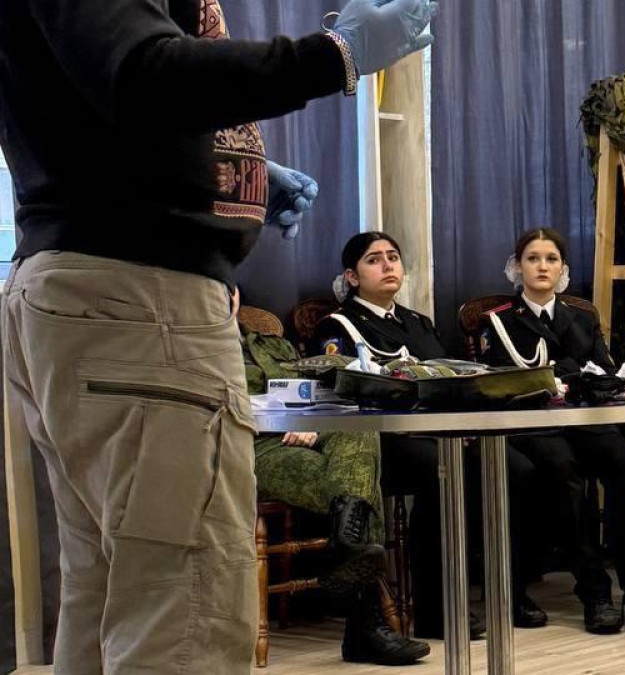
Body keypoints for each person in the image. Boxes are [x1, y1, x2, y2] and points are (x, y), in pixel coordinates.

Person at [0, 0, 436, 670]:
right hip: (139, 301)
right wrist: (335, 55)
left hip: (100, 295)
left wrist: (221, 173)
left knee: (117, 590)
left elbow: (94, 93)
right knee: (186, 610)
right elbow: (145, 76)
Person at [311, 232, 541, 636]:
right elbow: (341, 388)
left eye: (393, 257)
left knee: (514, 466)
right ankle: (437, 610)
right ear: (352, 276)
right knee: (441, 470)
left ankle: (509, 592)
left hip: (436, 432)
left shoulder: (418, 323)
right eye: (374, 260)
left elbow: (451, 378)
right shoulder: (339, 326)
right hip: (384, 440)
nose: (388, 265)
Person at [481, 227, 625, 634]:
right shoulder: (501, 321)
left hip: (584, 422)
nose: (542, 266)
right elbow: (500, 382)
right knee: (564, 471)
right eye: (532, 258)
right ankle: (595, 593)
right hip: (534, 427)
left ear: (563, 268)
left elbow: (606, 373)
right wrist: (570, 375)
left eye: (551, 259)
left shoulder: (581, 317)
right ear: (517, 267)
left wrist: (576, 378)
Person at [238, 288, 428, 665]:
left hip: (308, 434)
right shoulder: (204, 349)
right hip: (254, 447)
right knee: (358, 483)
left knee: (358, 429)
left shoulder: (275, 344)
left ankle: (347, 552)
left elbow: (311, 389)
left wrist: (313, 425)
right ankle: (364, 625)